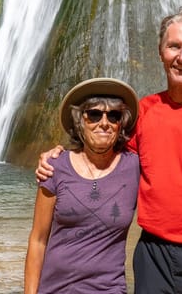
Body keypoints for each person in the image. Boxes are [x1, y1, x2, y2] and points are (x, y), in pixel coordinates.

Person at [37, 8, 182, 293]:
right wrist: (57, 156)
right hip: (152, 256)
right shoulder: (143, 112)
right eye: (174, 46)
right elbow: (102, 155)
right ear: (160, 52)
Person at [24, 77, 140, 294]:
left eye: (113, 116)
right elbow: (38, 240)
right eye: (94, 114)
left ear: (120, 124)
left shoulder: (134, 167)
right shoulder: (55, 166)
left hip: (108, 289)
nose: (104, 123)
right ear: (80, 121)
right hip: (55, 289)